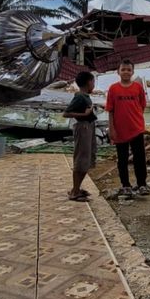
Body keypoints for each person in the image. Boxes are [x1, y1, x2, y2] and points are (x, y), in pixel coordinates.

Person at [106, 59, 149, 197]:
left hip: (136, 129)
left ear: (133, 72)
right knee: (122, 159)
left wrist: (135, 120)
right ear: (118, 72)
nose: (126, 72)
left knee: (140, 158)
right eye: (123, 69)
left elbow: (142, 106)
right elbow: (110, 110)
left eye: (128, 70)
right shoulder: (113, 89)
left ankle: (142, 184)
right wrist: (112, 129)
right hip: (120, 130)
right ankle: (125, 185)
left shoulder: (138, 88)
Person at [63, 71, 97, 202]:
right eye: (93, 82)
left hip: (88, 127)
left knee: (87, 158)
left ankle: (76, 188)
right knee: (82, 159)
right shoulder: (79, 97)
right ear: (89, 82)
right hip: (83, 127)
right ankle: (75, 191)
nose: (93, 84)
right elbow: (66, 114)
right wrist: (85, 114)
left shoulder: (85, 96)